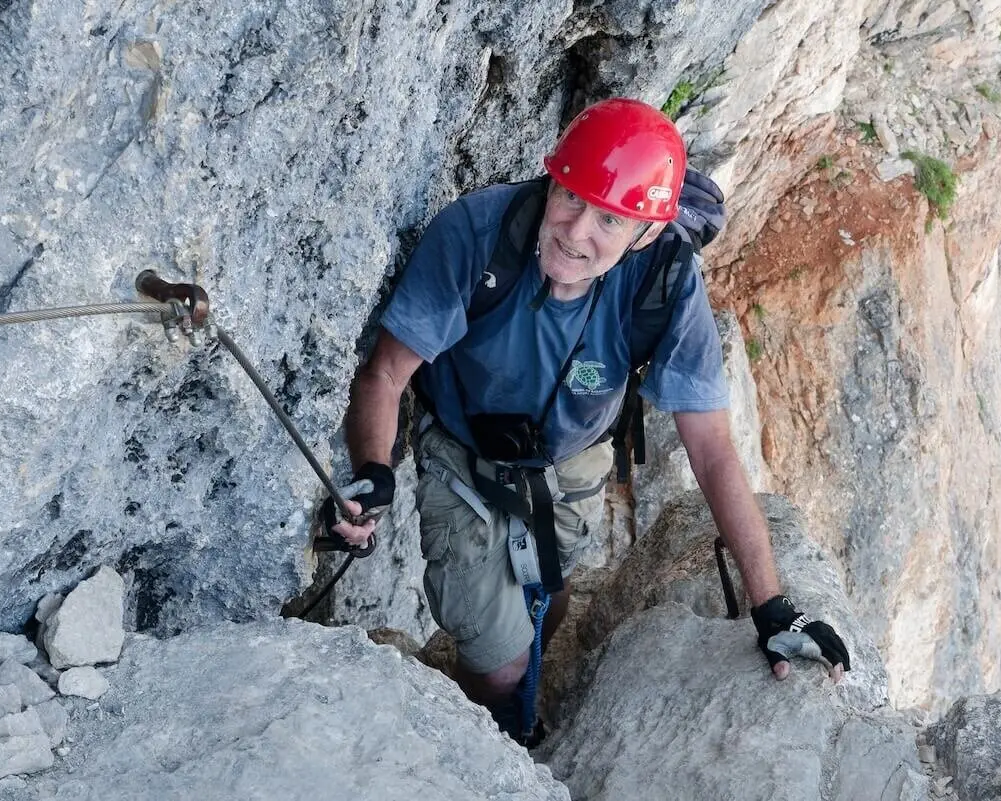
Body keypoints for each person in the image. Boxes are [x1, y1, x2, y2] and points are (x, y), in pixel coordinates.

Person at [330, 97, 850, 744]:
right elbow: (384, 374)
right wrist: (375, 473)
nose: (576, 232)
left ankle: (522, 696)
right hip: (463, 448)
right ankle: (486, 740)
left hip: (573, 452)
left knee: (550, 598)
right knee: (500, 665)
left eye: (610, 218)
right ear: (551, 180)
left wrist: (772, 605)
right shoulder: (478, 235)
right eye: (571, 197)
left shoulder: (664, 283)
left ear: (647, 233)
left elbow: (712, 447)